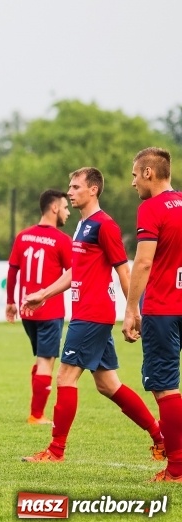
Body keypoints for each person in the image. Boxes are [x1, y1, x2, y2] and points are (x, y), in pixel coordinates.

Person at [21, 167, 164, 463]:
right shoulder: (83, 225)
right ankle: (160, 437)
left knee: (65, 377)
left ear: (93, 189)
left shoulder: (104, 225)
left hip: (92, 315)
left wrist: (132, 311)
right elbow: (76, 270)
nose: (70, 192)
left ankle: (56, 451)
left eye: (75, 187)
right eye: (70, 187)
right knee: (108, 385)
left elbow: (124, 270)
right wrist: (44, 294)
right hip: (88, 314)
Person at [122, 147, 182, 483]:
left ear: (149, 173)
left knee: (165, 387)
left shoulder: (151, 208)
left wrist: (131, 308)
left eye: (135, 175)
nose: (133, 182)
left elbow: (143, 262)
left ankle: (176, 469)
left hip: (163, 308)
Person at [5, 189, 72, 425]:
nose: (67, 212)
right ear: (54, 208)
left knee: (40, 359)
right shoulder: (62, 240)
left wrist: (11, 302)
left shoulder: (23, 237)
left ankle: (36, 410)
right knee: (46, 361)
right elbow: (74, 273)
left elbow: (12, 270)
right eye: (65, 207)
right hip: (49, 311)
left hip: (27, 311)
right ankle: (36, 415)